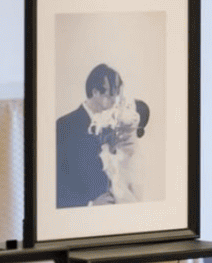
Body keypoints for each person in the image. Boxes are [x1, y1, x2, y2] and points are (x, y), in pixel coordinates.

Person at [55, 63, 149, 208]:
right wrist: (89, 205)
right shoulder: (64, 125)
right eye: (111, 95)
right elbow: (58, 182)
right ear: (95, 92)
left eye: (117, 94)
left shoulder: (114, 126)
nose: (115, 101)